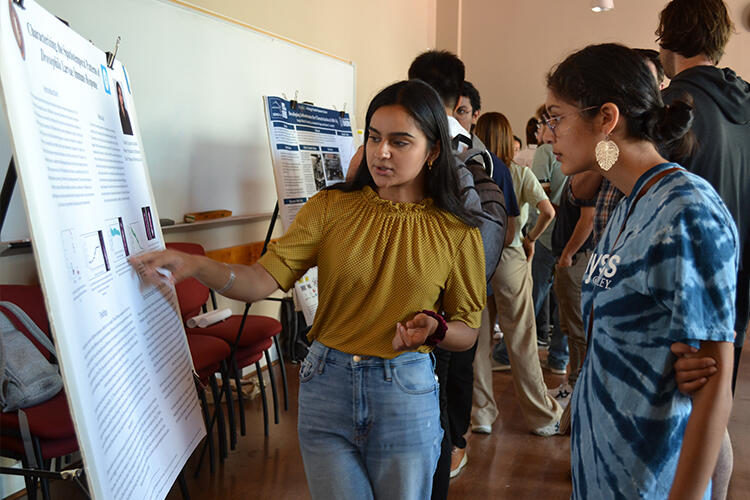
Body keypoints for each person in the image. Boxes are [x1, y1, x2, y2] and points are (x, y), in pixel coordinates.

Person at [131, 79, 487, 500]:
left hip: (403, 393)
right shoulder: (330, 208)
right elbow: (260, 280)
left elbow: (468, 331)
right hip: (326, 386)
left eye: (399, 141)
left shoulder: (456, 231)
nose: (381, 152)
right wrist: (195, 264)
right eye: (373, 137)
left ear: (433, 151)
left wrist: (436, 329)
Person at [545, 42, 736, 499]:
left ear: (606, 118)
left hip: (651, 474)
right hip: (607, 463)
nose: (546, 134)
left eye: (556, 117)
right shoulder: (629, 198)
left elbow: (713, 387)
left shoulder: (687, 211)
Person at [408, 51, 511, 488]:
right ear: (458, 96)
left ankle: (445, 454)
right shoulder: (484, 156)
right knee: (456, 372)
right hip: (463, 297)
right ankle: (454, 446)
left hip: (421, 300)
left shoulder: (429, 150)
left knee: (434, 393)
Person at [657, 0, 750, 396]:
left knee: (675, 421)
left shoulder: (669, 106)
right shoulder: (746, 101)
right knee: (716, 405)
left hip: (680, 282)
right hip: (736, 276)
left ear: (668, 40)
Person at [475, 111, 562, 436]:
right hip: (511, 259)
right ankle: (541, 417)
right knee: (522, 340)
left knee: (479, 341)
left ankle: (481, 414)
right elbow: (548, 211)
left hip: (479, 261)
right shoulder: (519, 173)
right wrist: (530, 238)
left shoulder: (473, 171)